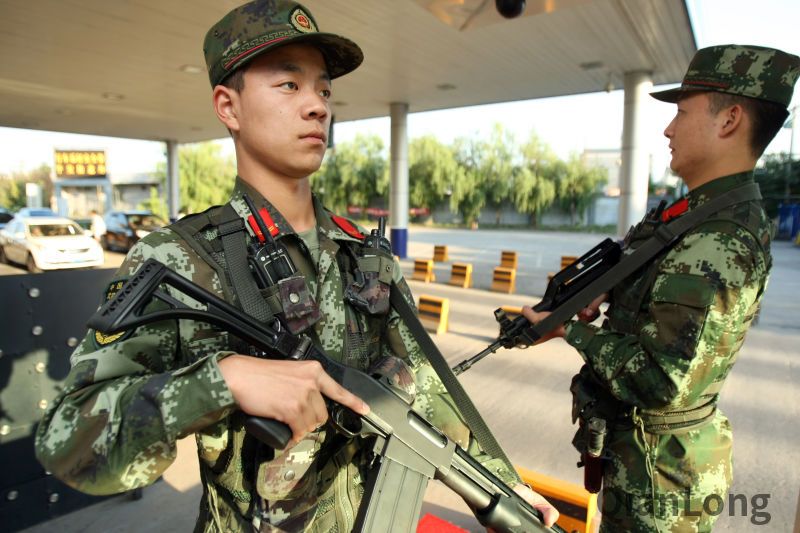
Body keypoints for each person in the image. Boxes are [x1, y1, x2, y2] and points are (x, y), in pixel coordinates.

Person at [34, 1, 557, 531]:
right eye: (288, 85)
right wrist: (221, 380)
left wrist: (499, 484)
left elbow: (423, 380)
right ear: (228, 106)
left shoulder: (364, 253)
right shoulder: (178, 257)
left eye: (324, 90)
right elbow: (66, 438)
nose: (318, 107)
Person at [524, 44, 799, 532]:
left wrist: (569, 330)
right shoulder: (695, 214)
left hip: (660, 487)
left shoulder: (717, 238)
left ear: (729, 119)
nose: (669, 129)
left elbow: (660, 379)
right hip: (646, 464)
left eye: (681, 112)